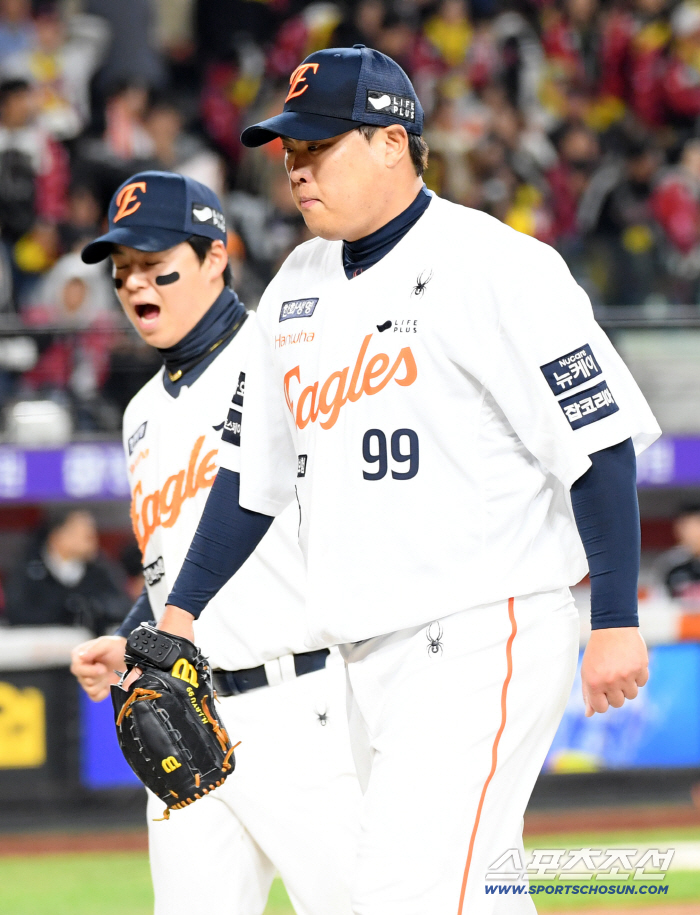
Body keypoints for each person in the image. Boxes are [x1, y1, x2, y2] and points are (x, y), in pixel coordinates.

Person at [160, 46, 661, 913]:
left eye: (318, 148)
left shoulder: (497, 265)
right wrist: (177, 618)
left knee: (401, 895)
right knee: (475, 886)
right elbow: (249, 478)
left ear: (393, 142)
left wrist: (615, 617)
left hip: (483, 629)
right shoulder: (295, 286)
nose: (296, 169)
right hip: (366, 656)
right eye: (289, 152)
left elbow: (599, 444)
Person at [70, 171, 359, 915]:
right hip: (188, 715)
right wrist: (133, 638)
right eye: (123, 270)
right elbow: (175, 568)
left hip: (308, 706)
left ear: (215, 257)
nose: (137, 284)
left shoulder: (280, 353)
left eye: (158, 265)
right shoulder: (138, 410)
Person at [5, 508, 130, 633]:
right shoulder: (29, 571)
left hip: (88, 643)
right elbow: (17, 613)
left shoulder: (101, 570)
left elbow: (123, 607)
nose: (93, 541)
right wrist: (63, 608)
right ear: (58, 536)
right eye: (85, 536)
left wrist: (94, 610)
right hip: (38, 645)